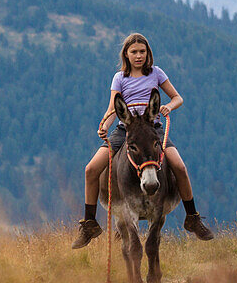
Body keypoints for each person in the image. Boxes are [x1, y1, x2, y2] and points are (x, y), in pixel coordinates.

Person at [72, 32, 214, 248]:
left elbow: (178, 97)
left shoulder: (156, 73)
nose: (138, 56)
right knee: (91, 169)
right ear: (126, 55)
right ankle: (89, 224)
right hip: (125, 130)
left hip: (152, 129)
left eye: (142, 51)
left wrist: (168, 106)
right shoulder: (119, 78)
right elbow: (113, 108)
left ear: (148, 54)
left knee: (179, 167)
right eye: (134, 52)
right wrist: (104, 127)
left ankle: (192, 218)